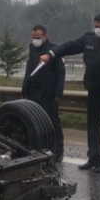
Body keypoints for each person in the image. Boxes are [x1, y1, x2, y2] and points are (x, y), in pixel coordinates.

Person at [40, 13, 100, 172]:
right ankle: (94, 158)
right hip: (93, 88)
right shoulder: (88, 39)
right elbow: (69, 46)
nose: (98, 30)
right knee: (93, 124)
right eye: (96, 26)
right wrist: (51, 54)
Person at [21, 25, 65, 161]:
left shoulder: (54, 51)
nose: (35, 40)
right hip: (33, 93)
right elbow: (28, 72)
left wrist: (58, 93)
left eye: (38, 38)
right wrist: (24, 90)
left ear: (45, 36)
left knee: (53, 122)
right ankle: (35, 149)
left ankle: (58, 151)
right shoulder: (32, 51)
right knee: (33, 121)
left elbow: (60, 73)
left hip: (48, 93)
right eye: (33, 37)